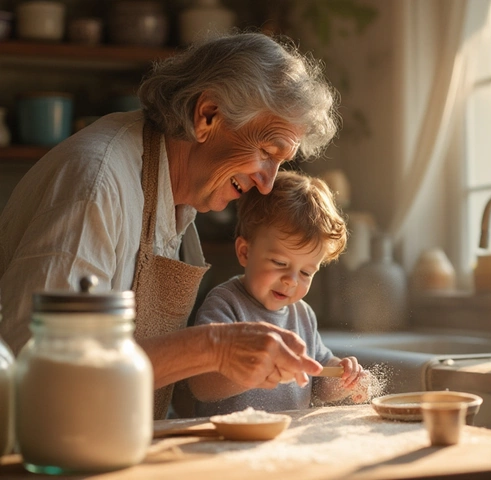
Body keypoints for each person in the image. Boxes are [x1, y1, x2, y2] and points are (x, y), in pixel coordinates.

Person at [0, 32, 341, 419]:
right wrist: (214, 348)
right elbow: (37, 373)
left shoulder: (181, 203)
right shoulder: (97, 183)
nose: (266, 184)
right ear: (207, 115)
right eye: (266, 152)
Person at [188, 170, 371, 416]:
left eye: (306, 273)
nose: (291, 280)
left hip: (285, 441)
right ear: (244, 252)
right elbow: (201, 386)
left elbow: (318, 379)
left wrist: (342, 377)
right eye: (280, 263)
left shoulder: (302, 314)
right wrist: (256, 371)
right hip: (229, 441)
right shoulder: (225, 304)